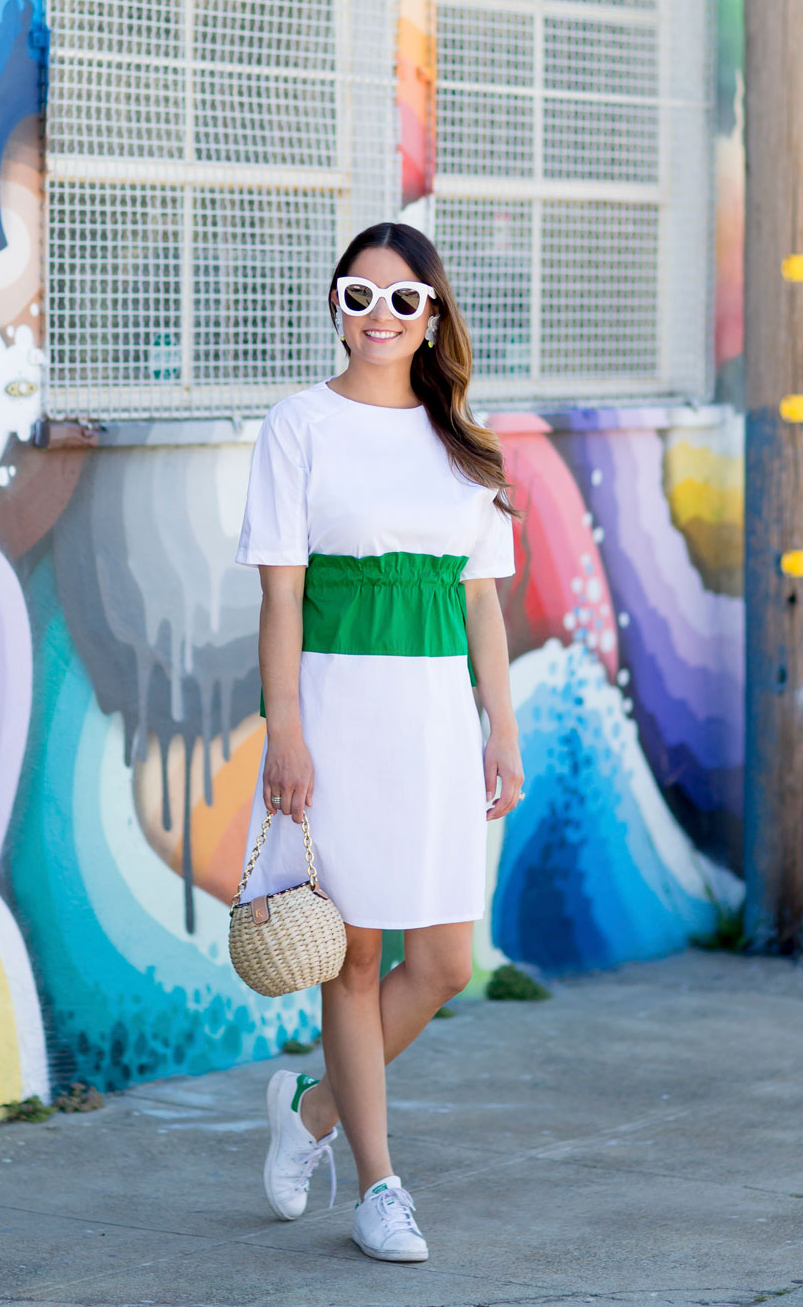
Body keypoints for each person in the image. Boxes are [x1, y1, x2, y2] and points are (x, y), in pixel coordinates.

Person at [233, 220, 525, 1263]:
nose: (378, 318)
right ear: (335, 305)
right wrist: (288, 733)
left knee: (443, 959)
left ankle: (313, 1111)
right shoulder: (297, 426)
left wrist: (501, 727)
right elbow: (281, 597)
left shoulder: (464, 443)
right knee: (350, 960)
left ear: (434, 315)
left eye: (403, 300)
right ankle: (377, 1185)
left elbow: (482, 605)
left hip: (437, 723)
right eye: (358, 296)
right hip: (335, 713)